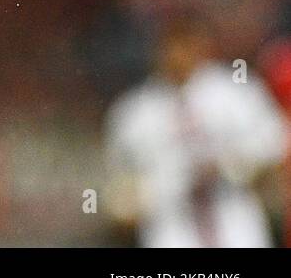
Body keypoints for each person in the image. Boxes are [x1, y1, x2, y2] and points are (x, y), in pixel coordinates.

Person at [105, 19, 287, 247]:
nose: (179, 55)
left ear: (202, 45)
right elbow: (119, 191)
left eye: (187, 45)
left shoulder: (236, 93)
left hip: (236, 224)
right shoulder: (134, 113)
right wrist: (155, 191)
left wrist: (232, 165)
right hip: (171, 232)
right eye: (172, 47)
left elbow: (275, 145)